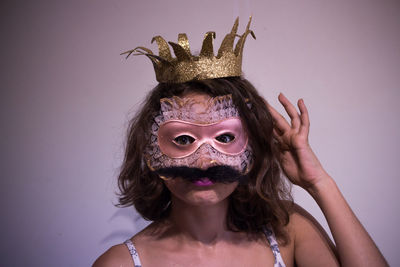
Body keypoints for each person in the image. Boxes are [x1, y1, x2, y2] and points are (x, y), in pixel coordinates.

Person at [93, 18, 387, 267]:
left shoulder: (289, 230)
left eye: (224, 138)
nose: (205, 161)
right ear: (150, 153)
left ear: (252, 148)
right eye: (183, 139)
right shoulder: (120, 262)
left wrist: (319, 183)